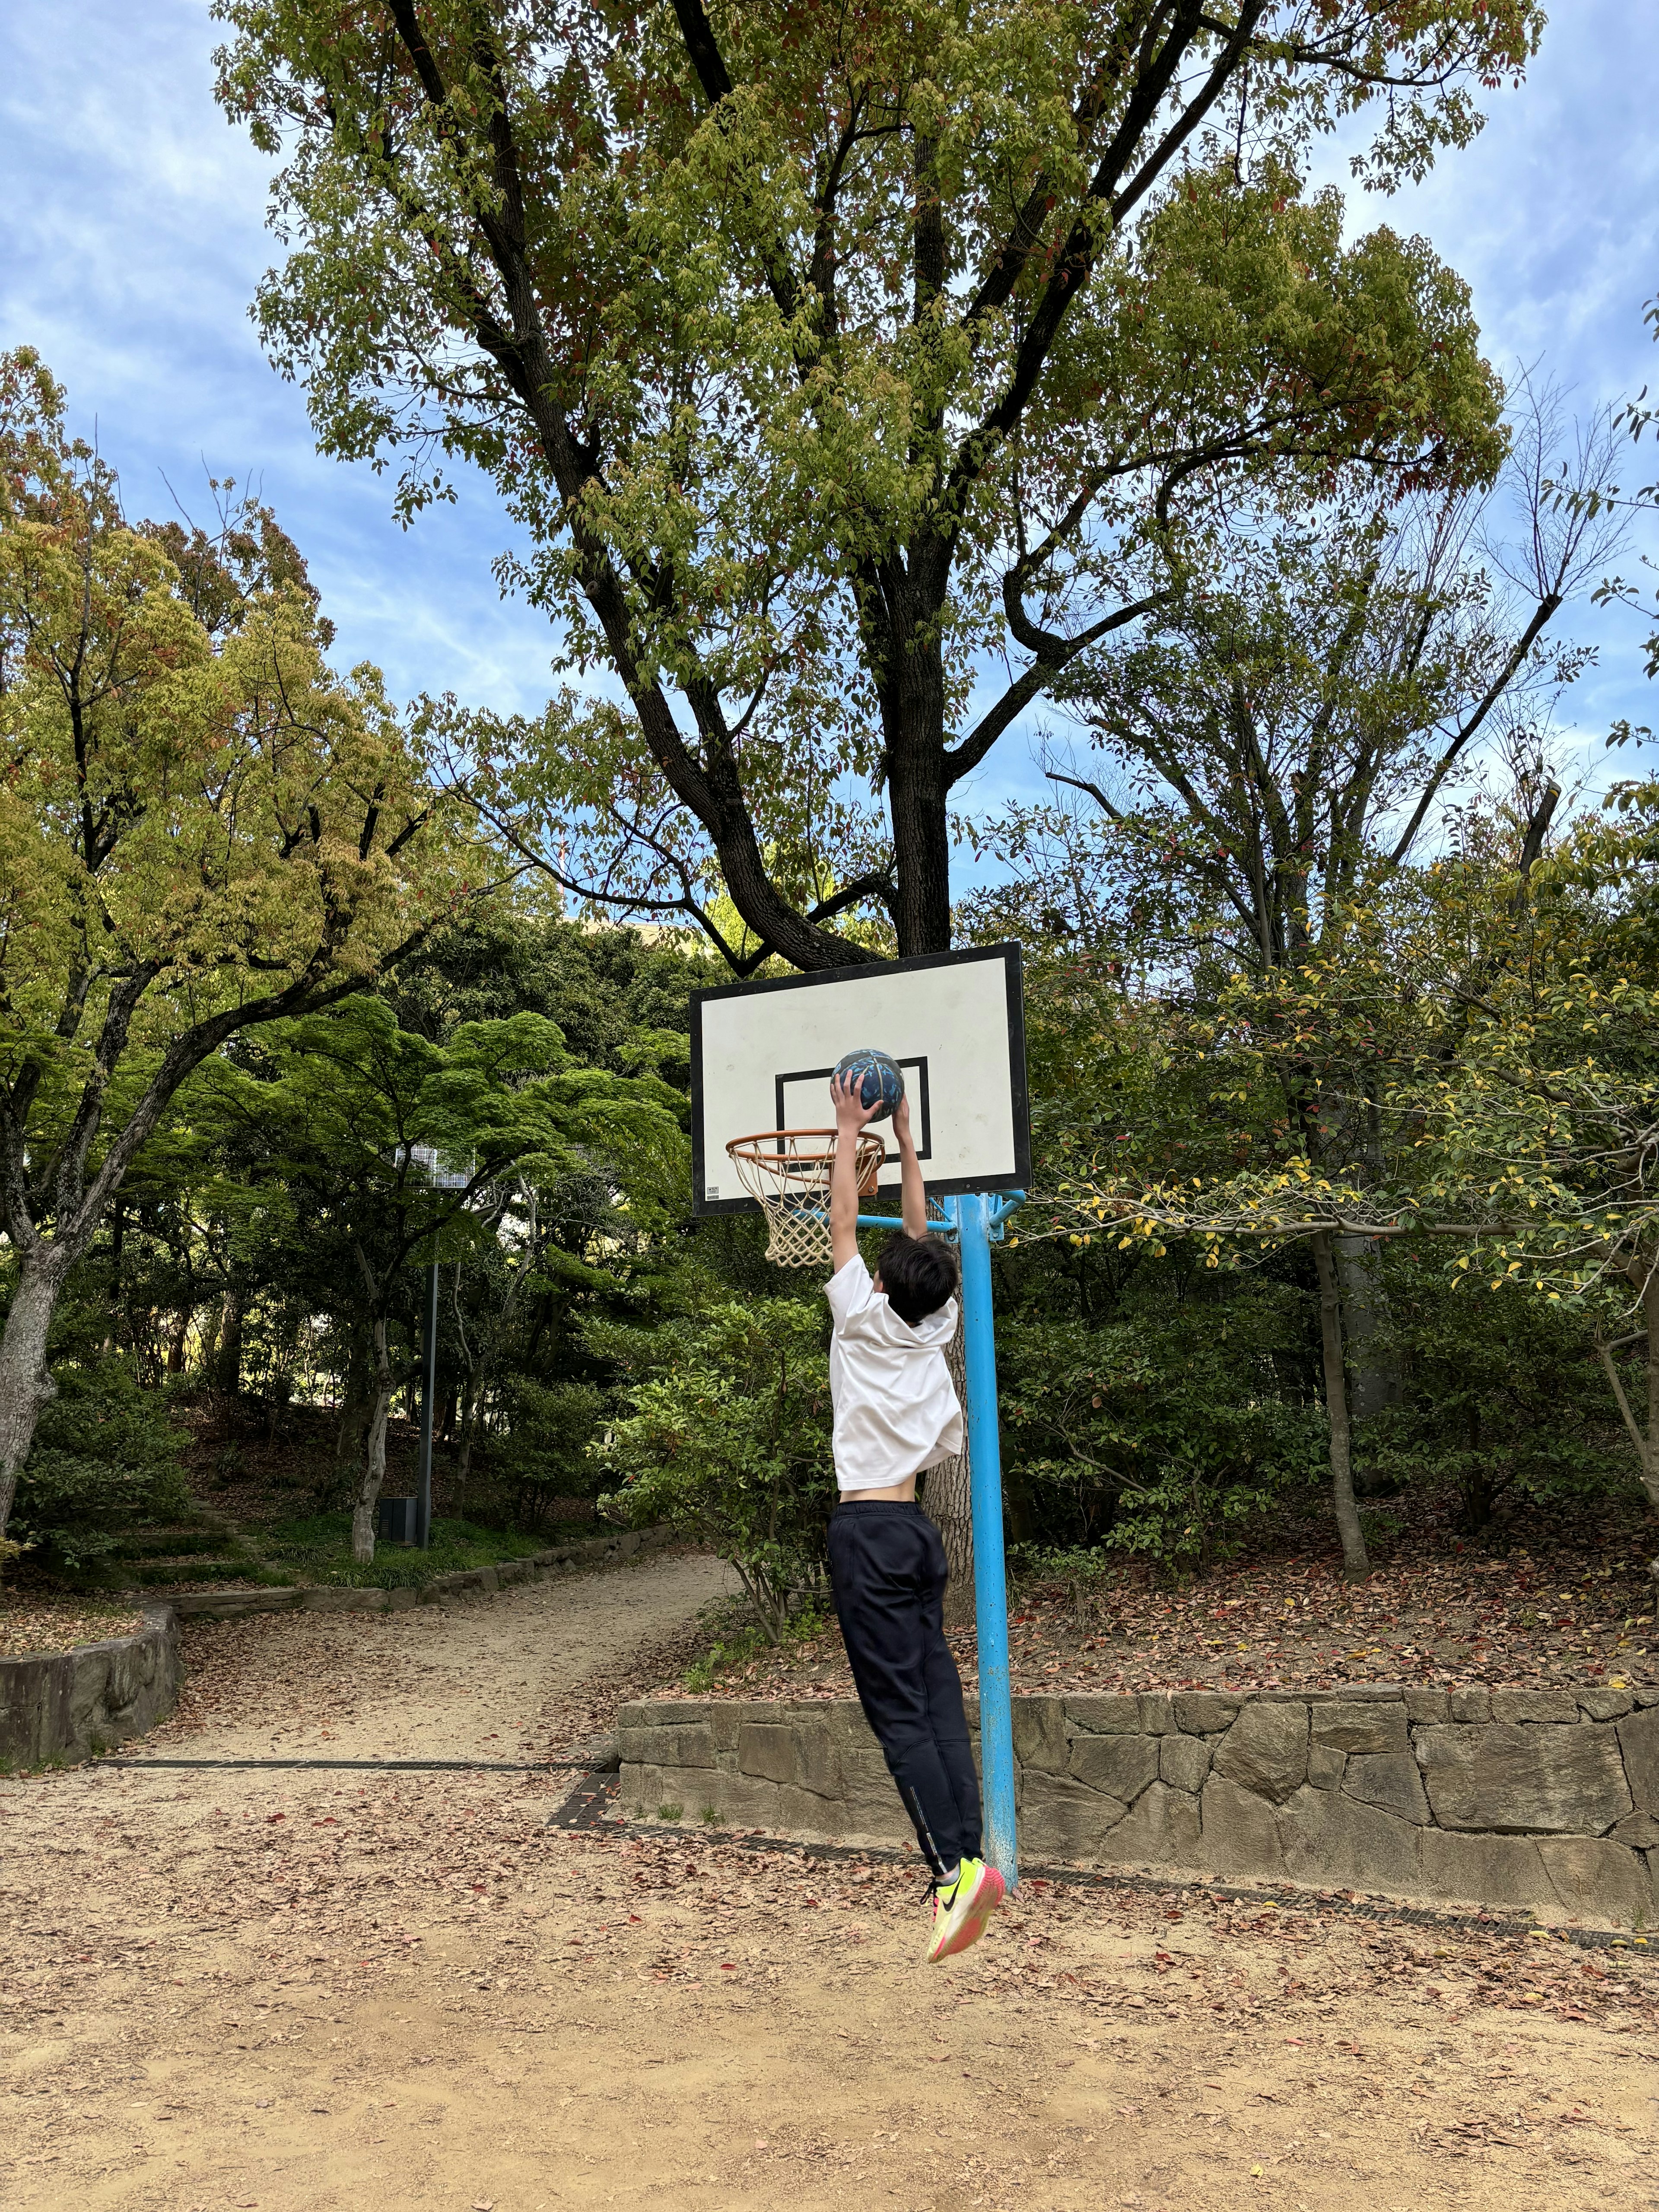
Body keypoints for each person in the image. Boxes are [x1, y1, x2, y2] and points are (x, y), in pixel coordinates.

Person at [824, 1068, 1006, 1963]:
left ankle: (952, 1874)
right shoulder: (934, 1322)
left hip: (867, 1533)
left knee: (901, 1715)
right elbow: (915, 1233)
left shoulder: (861, 1319)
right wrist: (901, 1137)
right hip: (918, 1535)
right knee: (937, 1700)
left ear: (885, 1283)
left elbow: (845, 1222)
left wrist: (844, 1131)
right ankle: (973, 1857)